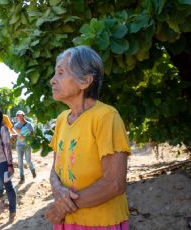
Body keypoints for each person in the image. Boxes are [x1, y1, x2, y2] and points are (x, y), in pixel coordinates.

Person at [44, 45, 130, 229]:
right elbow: (56, 168)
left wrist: (63, 208)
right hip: (68, 220)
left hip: (100, 222)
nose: (52, 80)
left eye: (60, 73)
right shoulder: (61, 120)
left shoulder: (106, 117)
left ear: (84, 82)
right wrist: (58, 191)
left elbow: (114, 184)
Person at [14, 110, 36, 184]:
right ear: (17, 117)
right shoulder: (16, 125)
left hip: (27, 145)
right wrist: (25, 133)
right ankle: (22, 177)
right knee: (20, 162)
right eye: (18, 116)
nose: (19, 117)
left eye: (21, 115)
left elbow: (32, 134)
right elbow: (20, 135)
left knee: (28, 160)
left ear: (24, 116)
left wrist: (24, 134)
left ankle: (32, 170)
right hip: (19, 145)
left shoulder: (30, 124)